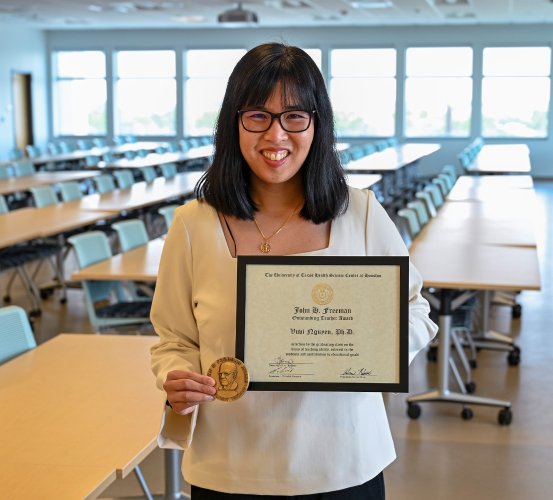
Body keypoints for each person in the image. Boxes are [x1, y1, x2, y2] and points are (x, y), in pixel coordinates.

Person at [150, 42, 438, 499]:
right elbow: (174, 339)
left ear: (317, 124)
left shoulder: (358, 214)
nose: (276, 135)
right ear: (234, 124)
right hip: (228, 467)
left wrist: (374, 357)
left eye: (295, 116)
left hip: (344, 464)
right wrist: (178, 375)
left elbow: (414, 309)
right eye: (258, 116)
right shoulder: (192, 226)